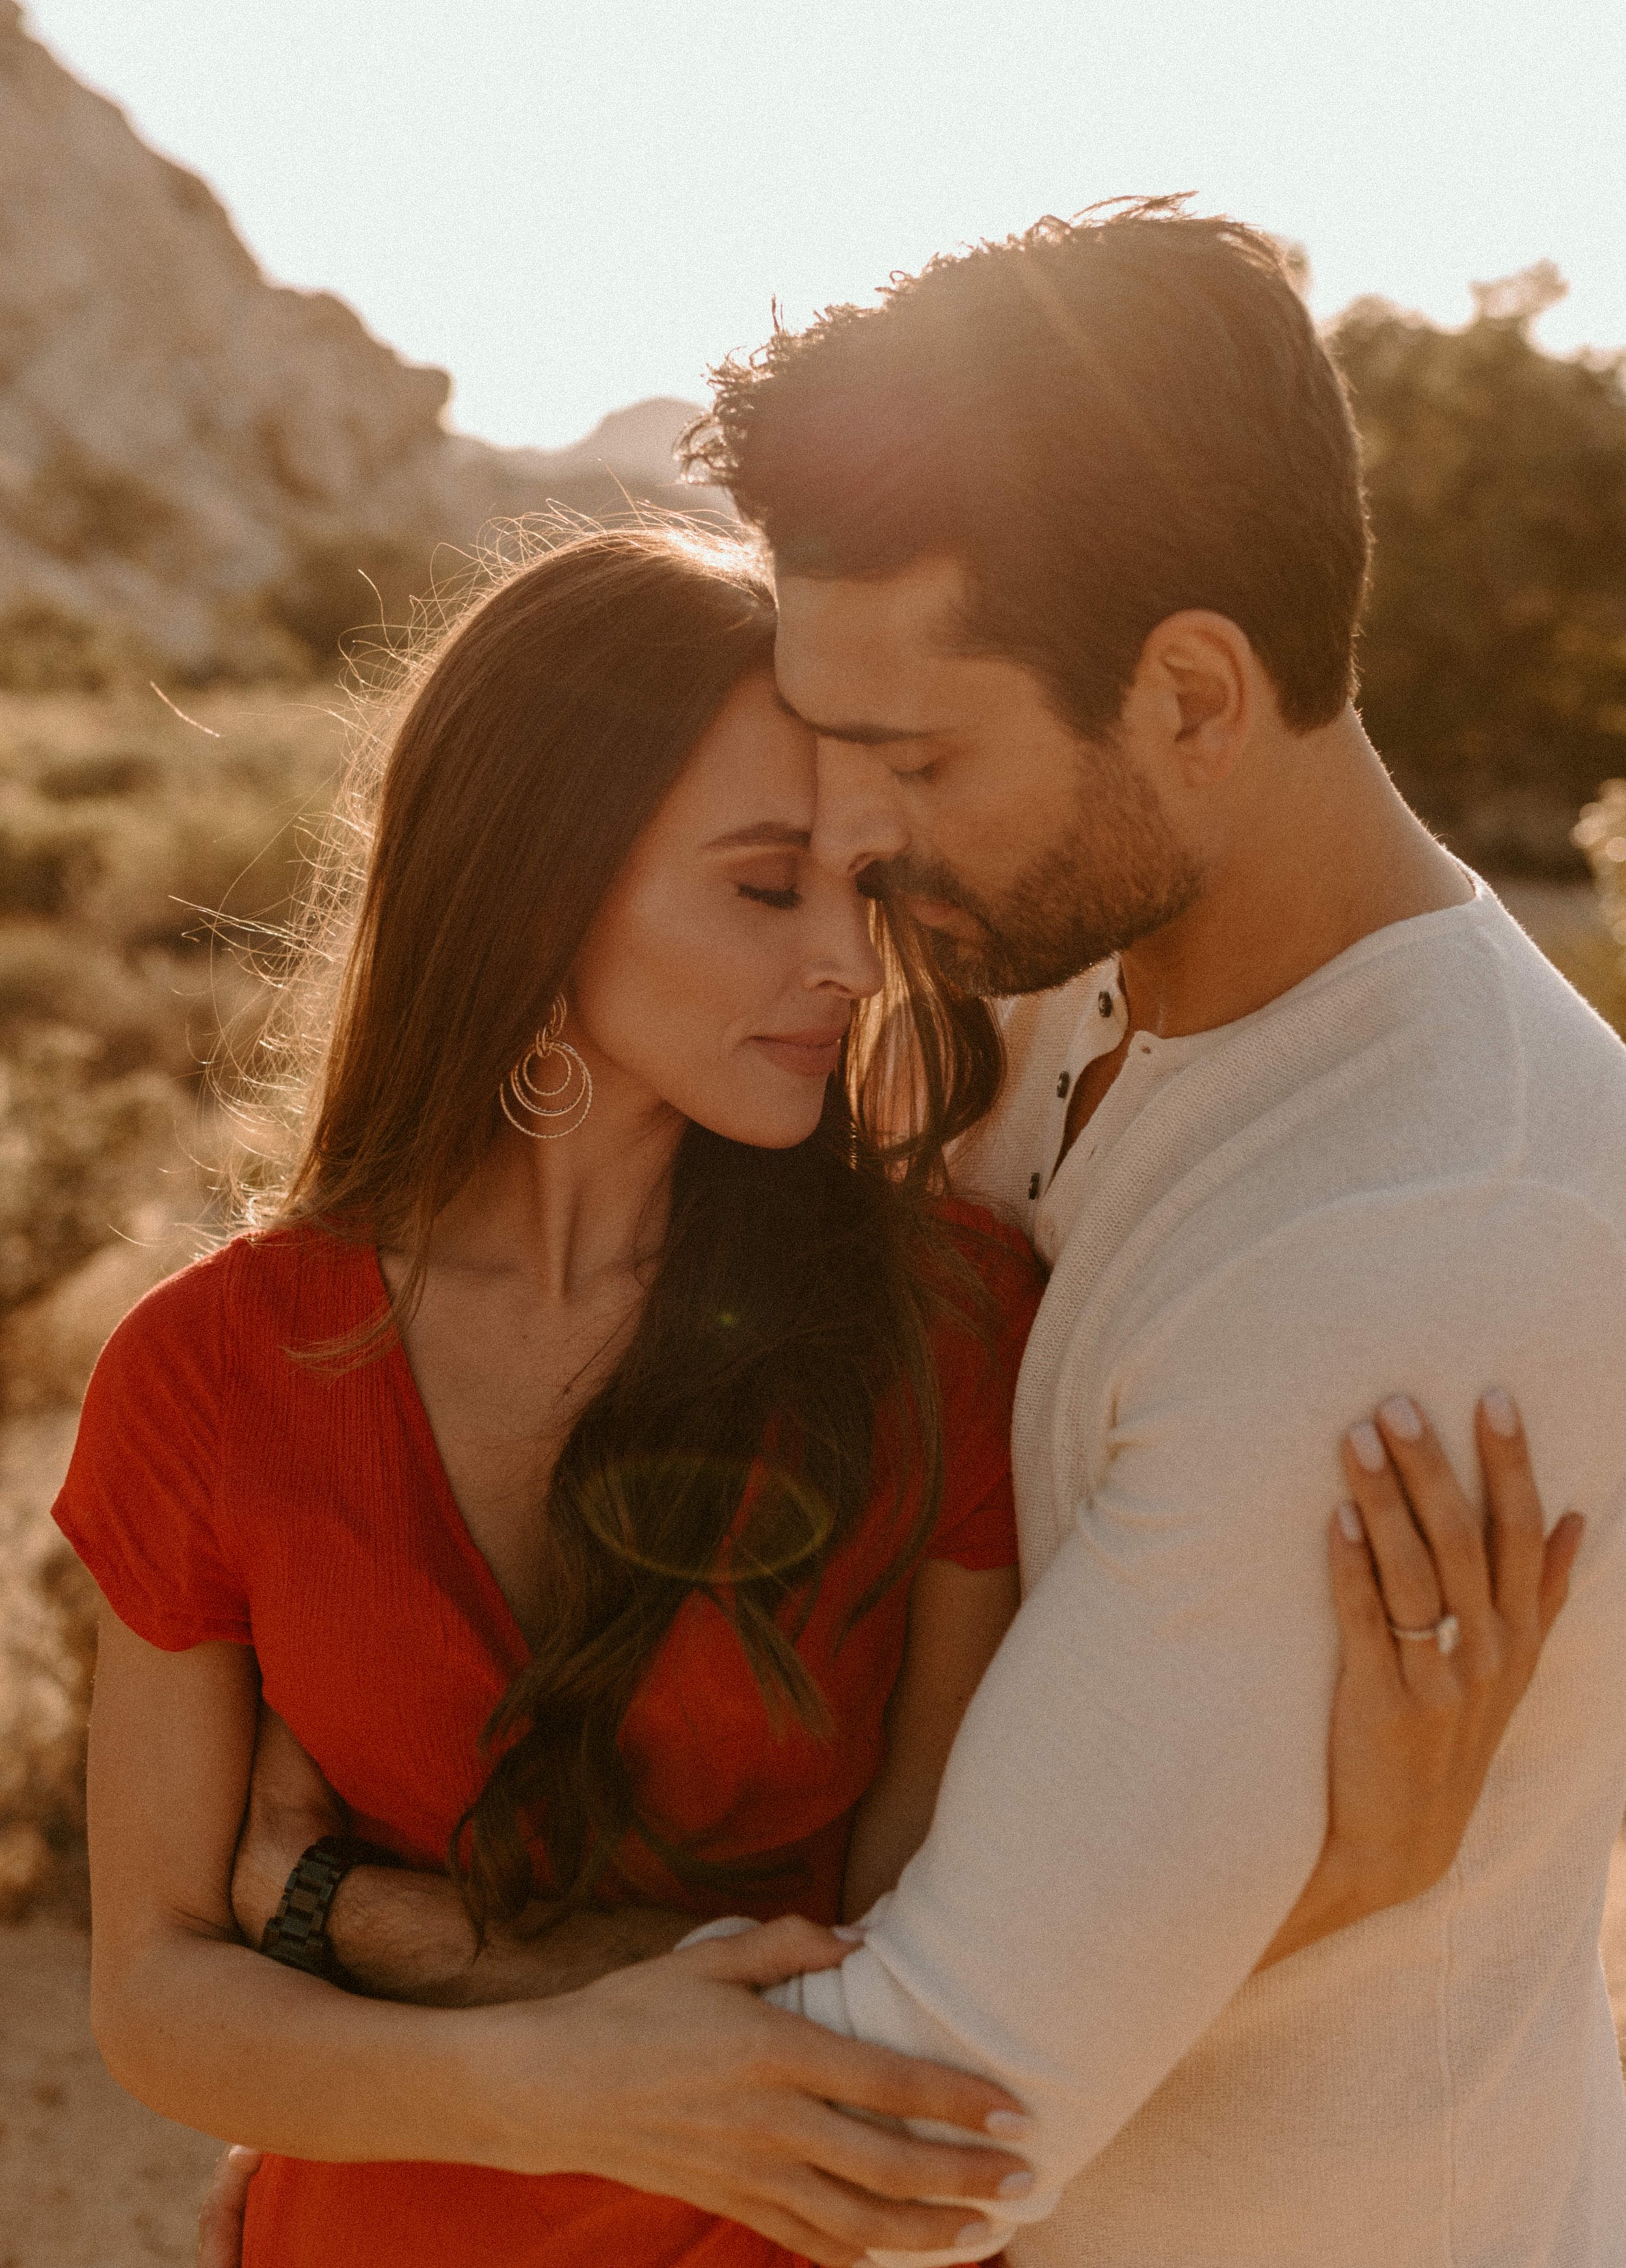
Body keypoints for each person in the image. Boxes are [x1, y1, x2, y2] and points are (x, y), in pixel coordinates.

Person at [62, 525, 1564, 2268]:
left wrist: (1349, 1872)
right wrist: (545, 2082)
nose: (849, 959)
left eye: (868, 885)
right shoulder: (207, 1368)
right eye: (766, 884)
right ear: (533, 889)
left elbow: (939, 1968)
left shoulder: (935, 1322)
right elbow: (156, 1990)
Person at [658, 198, 1626, 2263]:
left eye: (914, 756)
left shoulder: (1422, 1233)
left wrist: (334, 1965)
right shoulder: (1048, 980)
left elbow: (914, 2130)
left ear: (1195, 692)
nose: (849, 834)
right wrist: (1320, 1885)